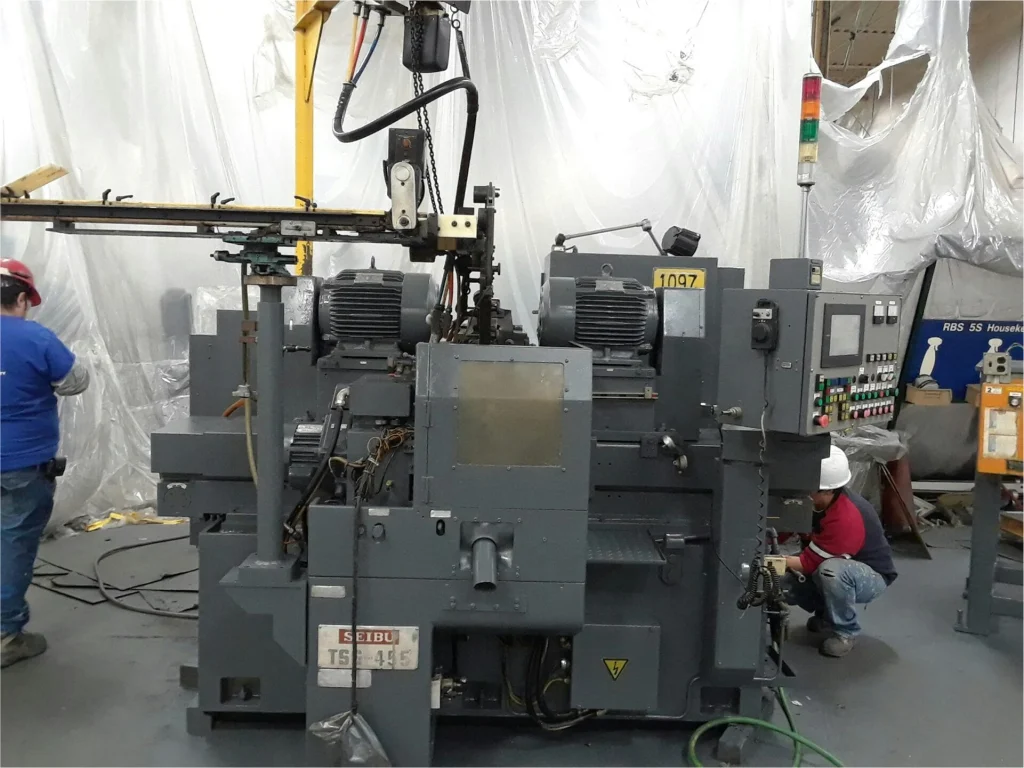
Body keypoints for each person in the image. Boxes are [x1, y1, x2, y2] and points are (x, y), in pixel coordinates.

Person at [1, 259, 89, 669]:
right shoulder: (36, 337)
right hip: (22, 463)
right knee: (13, 544)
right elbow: (74, 382)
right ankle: (6, 637)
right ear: (21, 298)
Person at [781, 444, 897, 658]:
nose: (802, 491)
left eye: (808, 488)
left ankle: (846, 632)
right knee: (782, 582)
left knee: (830, 572)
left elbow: (809, 563)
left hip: (869, 576)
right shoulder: (813, 503)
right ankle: (826, 616)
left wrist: (768, 561)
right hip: (827, 563)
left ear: (827, 490)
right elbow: (782, 530)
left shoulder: (846, 516)